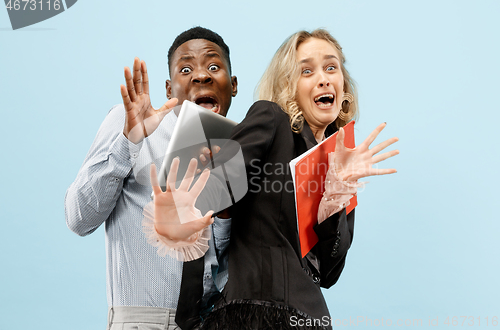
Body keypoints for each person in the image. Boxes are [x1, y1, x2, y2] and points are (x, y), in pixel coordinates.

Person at [150, 29, 399, 330]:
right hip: (251, 314)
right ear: (288, 85)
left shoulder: (343, 163)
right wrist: (184, 207)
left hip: (308, 319)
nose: (323, 78)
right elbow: (217, 190)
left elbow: (330, 272)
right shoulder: (271, 119)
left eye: (331, 67)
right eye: (306, 71)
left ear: (342, 84)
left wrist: (337, 193)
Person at [65, 26, 237, 330]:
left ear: (233, 85)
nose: (201, 76)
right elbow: (79, 218)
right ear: (169, 88)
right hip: (143, 322)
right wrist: (128, 142)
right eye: (186, 69)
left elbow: (225, 270)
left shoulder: (238, 153)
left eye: (213, 66)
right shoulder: (131, 123)